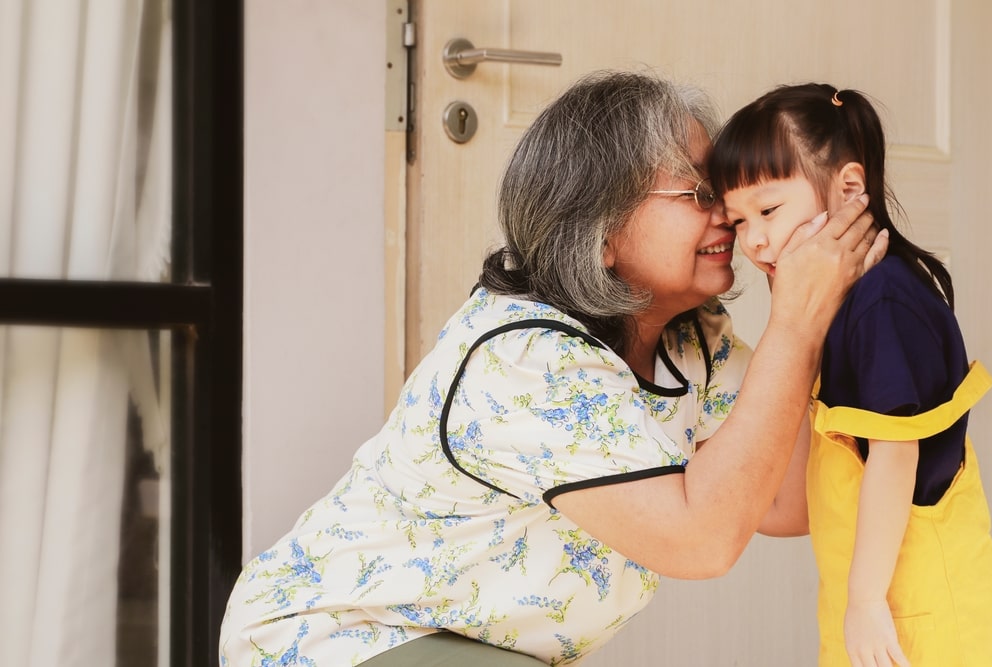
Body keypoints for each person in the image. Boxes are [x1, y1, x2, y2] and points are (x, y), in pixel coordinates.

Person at [219, 71, 884, 667]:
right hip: (341, 639)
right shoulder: (524, 360)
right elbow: (700, 540)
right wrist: (794, 323)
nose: (730, 215)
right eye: (700, 191)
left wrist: (818, 297)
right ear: (600, 231)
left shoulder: (693, 341)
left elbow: (786, 497)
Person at [709, 82, 992, 667]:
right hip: (870, 602)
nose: (754, 240)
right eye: (738, 221)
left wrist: (865, 599)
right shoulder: (835, 305)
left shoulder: (882, 299)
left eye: (768, 210)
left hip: (919, 612)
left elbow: (897, 452)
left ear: (848, 189)